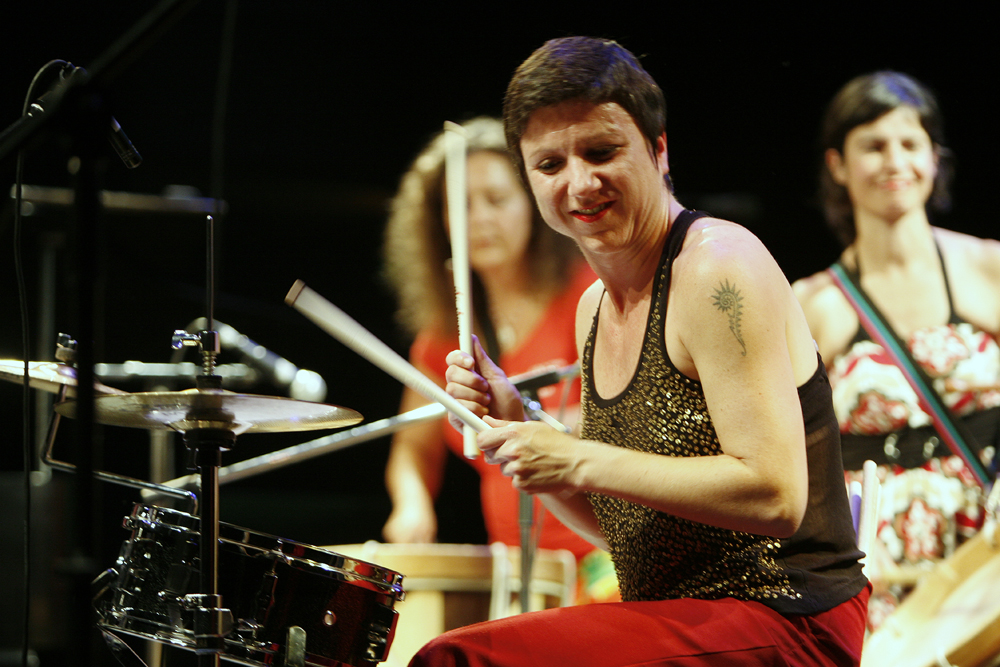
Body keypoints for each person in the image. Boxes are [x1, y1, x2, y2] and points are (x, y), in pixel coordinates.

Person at [413, 37, 869, 666]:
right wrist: (518, 425)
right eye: (550, 165)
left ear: (658, 149)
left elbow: (776, 494)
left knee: (459, 659)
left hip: (786, 617)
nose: (579, 183)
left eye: (601, 152)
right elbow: (628, 535)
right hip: (682, 617)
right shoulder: (593, 309)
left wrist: (576, 457)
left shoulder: (716, 268)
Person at [792, 71, 1000, 631]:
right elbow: (788, 454)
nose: (895, 161)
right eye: (874, 146)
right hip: (881, 573)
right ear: (838, 164)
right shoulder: (812, 304)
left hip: (989, 553)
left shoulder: (989, 268)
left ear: (934, 157)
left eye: (910, 143)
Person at [380, 117, 618, 603]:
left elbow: (627, 422)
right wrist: (411, 505)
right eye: (462, 206)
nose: (480, 220)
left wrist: (534, 421)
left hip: (605, 560)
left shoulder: (590, 296)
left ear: (532, 203)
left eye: (496, 199)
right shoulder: (443, 336)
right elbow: (413, 449)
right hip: (516, 571)